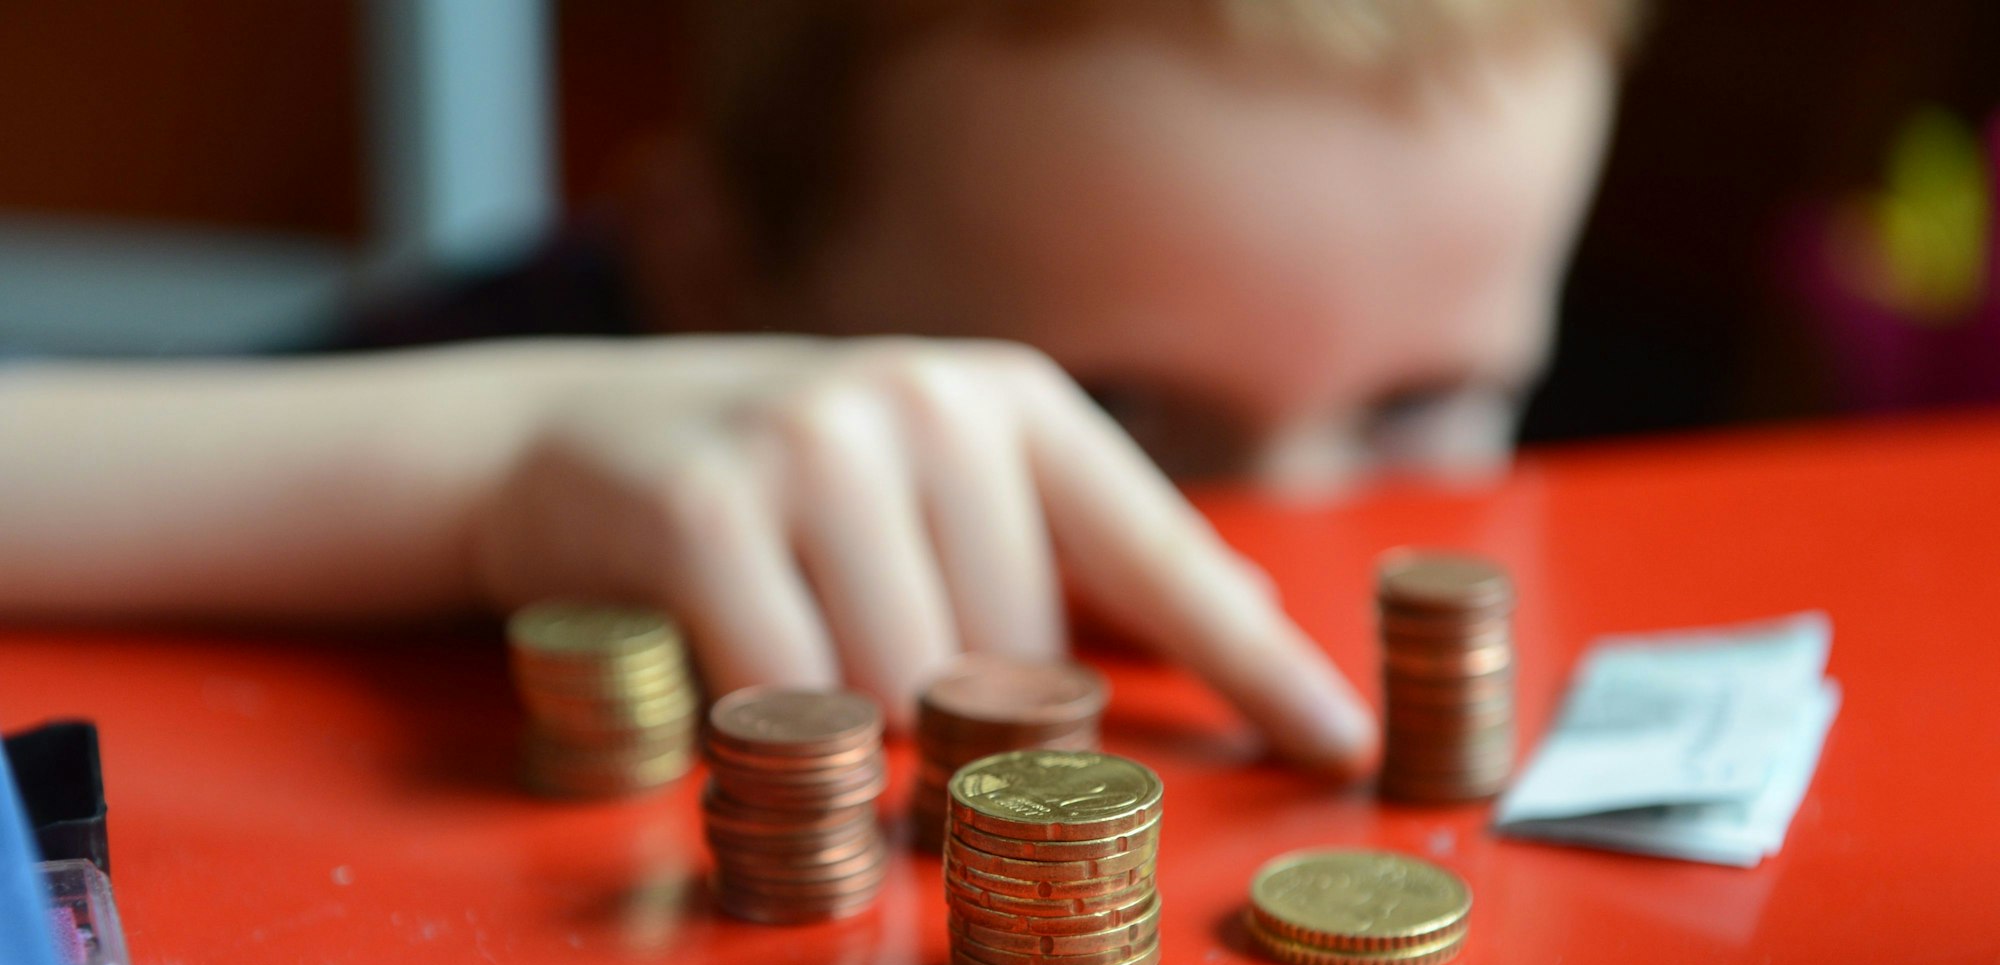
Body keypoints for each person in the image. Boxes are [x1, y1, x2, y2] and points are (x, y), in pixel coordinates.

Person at [0, 0, 1634, 781]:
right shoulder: (489, 375)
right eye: (1120, 416)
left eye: (1424, 402)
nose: (1275, 543)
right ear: (717, 281)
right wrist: (498, 461)